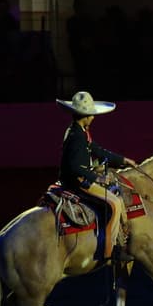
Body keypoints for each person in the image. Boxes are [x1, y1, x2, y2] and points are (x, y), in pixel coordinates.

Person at [57, 91, 138, 264]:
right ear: (85, 116)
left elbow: (97, 150)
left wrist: (122, 160)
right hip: (77, 182)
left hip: (79, 177)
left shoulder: (79, 131)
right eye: (91, 115)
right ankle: (111, 251)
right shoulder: (76, 136)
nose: (93, 118)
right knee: (115, 204)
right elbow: (75, 167)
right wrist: (97, 178)